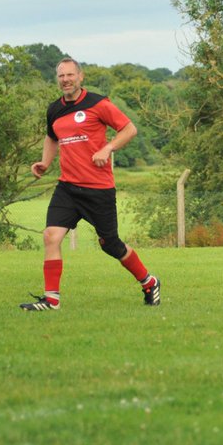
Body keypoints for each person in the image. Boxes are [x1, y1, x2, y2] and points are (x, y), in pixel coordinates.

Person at [20, 58, 160, 311]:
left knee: (111, 245)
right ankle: (51, 300)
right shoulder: (55, 109)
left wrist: (107, 148)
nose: (65, 80)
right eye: (61, 76)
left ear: (80, 76)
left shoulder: (98, 103)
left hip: (98, 189)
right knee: (51, 236)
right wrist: (44, 162)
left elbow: (129, 129)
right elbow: (51, 137)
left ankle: (149, 282)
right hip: (68, 188)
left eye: (70, 75)